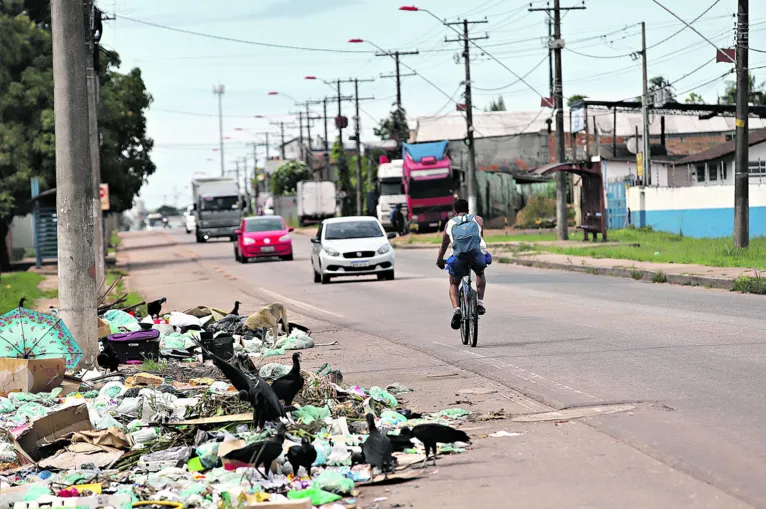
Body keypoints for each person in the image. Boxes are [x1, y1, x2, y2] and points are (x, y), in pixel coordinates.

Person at [436, 199, 489, 330]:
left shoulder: (450, 223)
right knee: (480, 273)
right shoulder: (478, 220)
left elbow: (444, 245)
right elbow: (480, 240)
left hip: (458, 259)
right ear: (468, 209)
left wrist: (440, 259)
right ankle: (480, 303)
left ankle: (457, 309)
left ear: (454, 211)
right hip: (476, 257)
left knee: (454, 283)